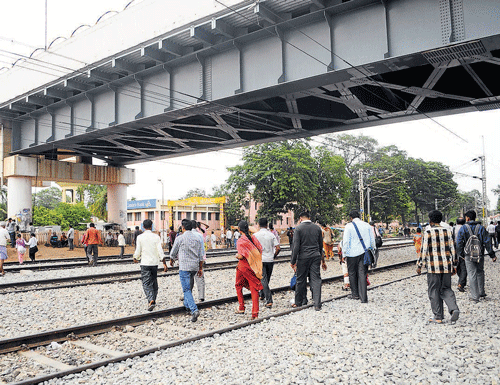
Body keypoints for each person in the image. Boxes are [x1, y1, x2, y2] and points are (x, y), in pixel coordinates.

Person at [417, 210, 459, 324]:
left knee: (434, 290)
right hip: (446, 266)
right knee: (446, 288)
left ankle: (438, 316)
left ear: (430, 219)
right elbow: (453, 249)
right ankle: (453, 308)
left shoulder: (428, 232)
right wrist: (455, 265)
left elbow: (423, 250)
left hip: (433, 267)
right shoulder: (448, 231)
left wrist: (419, 265)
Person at [456, 210, 497, 303]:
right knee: (480, 272)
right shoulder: (481, 228)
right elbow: (487, 242)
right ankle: (482, 292)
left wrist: (461, 253)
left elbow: (459, 242)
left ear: (467, 218)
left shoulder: (463, 228)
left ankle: (475, 296)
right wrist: (492, 255)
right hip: (480, 254)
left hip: (468, 255)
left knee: (471, 274)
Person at [291, 211, 327, 310]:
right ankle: (317, 304)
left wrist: (293, 261)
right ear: (309, 217)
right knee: (316, 279)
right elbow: (320, 245)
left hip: (303, 257)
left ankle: (298, 303)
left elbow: (296, 246)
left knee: (300, 279)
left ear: (301, 218)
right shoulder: (317, 228)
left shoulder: (298, 229)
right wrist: (322, 259)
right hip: (315, 256)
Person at [170, 219, 204, 322]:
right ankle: (187, 305)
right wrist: (200, 268)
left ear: (183, 228)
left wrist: (172, 260)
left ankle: (194, 310)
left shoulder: (180, 238)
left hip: (184, 267)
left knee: (186, 289)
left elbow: (173, 252)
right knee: (188, 287)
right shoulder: (197, 238)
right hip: (194, 267)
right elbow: (201, 256)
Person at [341, 210, 375, 304]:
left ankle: (355, 294)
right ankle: (364, 298)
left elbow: (346, 241)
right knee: (362, 273)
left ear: (351, 218)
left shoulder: (348, 226)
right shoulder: (367, 225)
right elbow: (372, 241)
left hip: (351, 254)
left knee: (352, 273)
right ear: (359, 216)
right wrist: (372, 249)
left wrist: (344, 254)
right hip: (364, 253)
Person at [133, 219, 167, 311]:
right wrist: (164, 263)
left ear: (143, 227)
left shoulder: (140, 237)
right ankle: (154, 299)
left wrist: (136, 257)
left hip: (145, 263)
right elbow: (160, 251)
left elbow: (138, 250)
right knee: (153, 281)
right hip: (154, 263)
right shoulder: (156, 237)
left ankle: (150, 299)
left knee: (146, 282)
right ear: (151, 226)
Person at [234, 220, 263, 319]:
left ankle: (241, 307)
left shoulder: (241, 241)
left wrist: (236, 256)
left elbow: (241, 256)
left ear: (239, 230)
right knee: (254, 288)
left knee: (238, 285)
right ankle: (255, 313)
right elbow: (260, 249)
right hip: (253, 267)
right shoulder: (253, 238)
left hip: (242, 267)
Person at [254, 217, 280, 308]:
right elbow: (278, 248)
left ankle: (269, 300)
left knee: (263, 279)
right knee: (266, 279)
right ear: (267, 224)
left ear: (258, 224)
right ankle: (262, 294)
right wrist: (273, 256)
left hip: (260, 259)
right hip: (270, 259)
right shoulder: (271, 235)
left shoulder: (255, 235)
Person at [454, 217, 467, 292]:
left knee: (458, 265)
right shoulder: (465, 228)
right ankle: (461, 283)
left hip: (454, 249)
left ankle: (461, 280)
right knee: (463, 267)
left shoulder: (453, 228)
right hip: (463, 249)